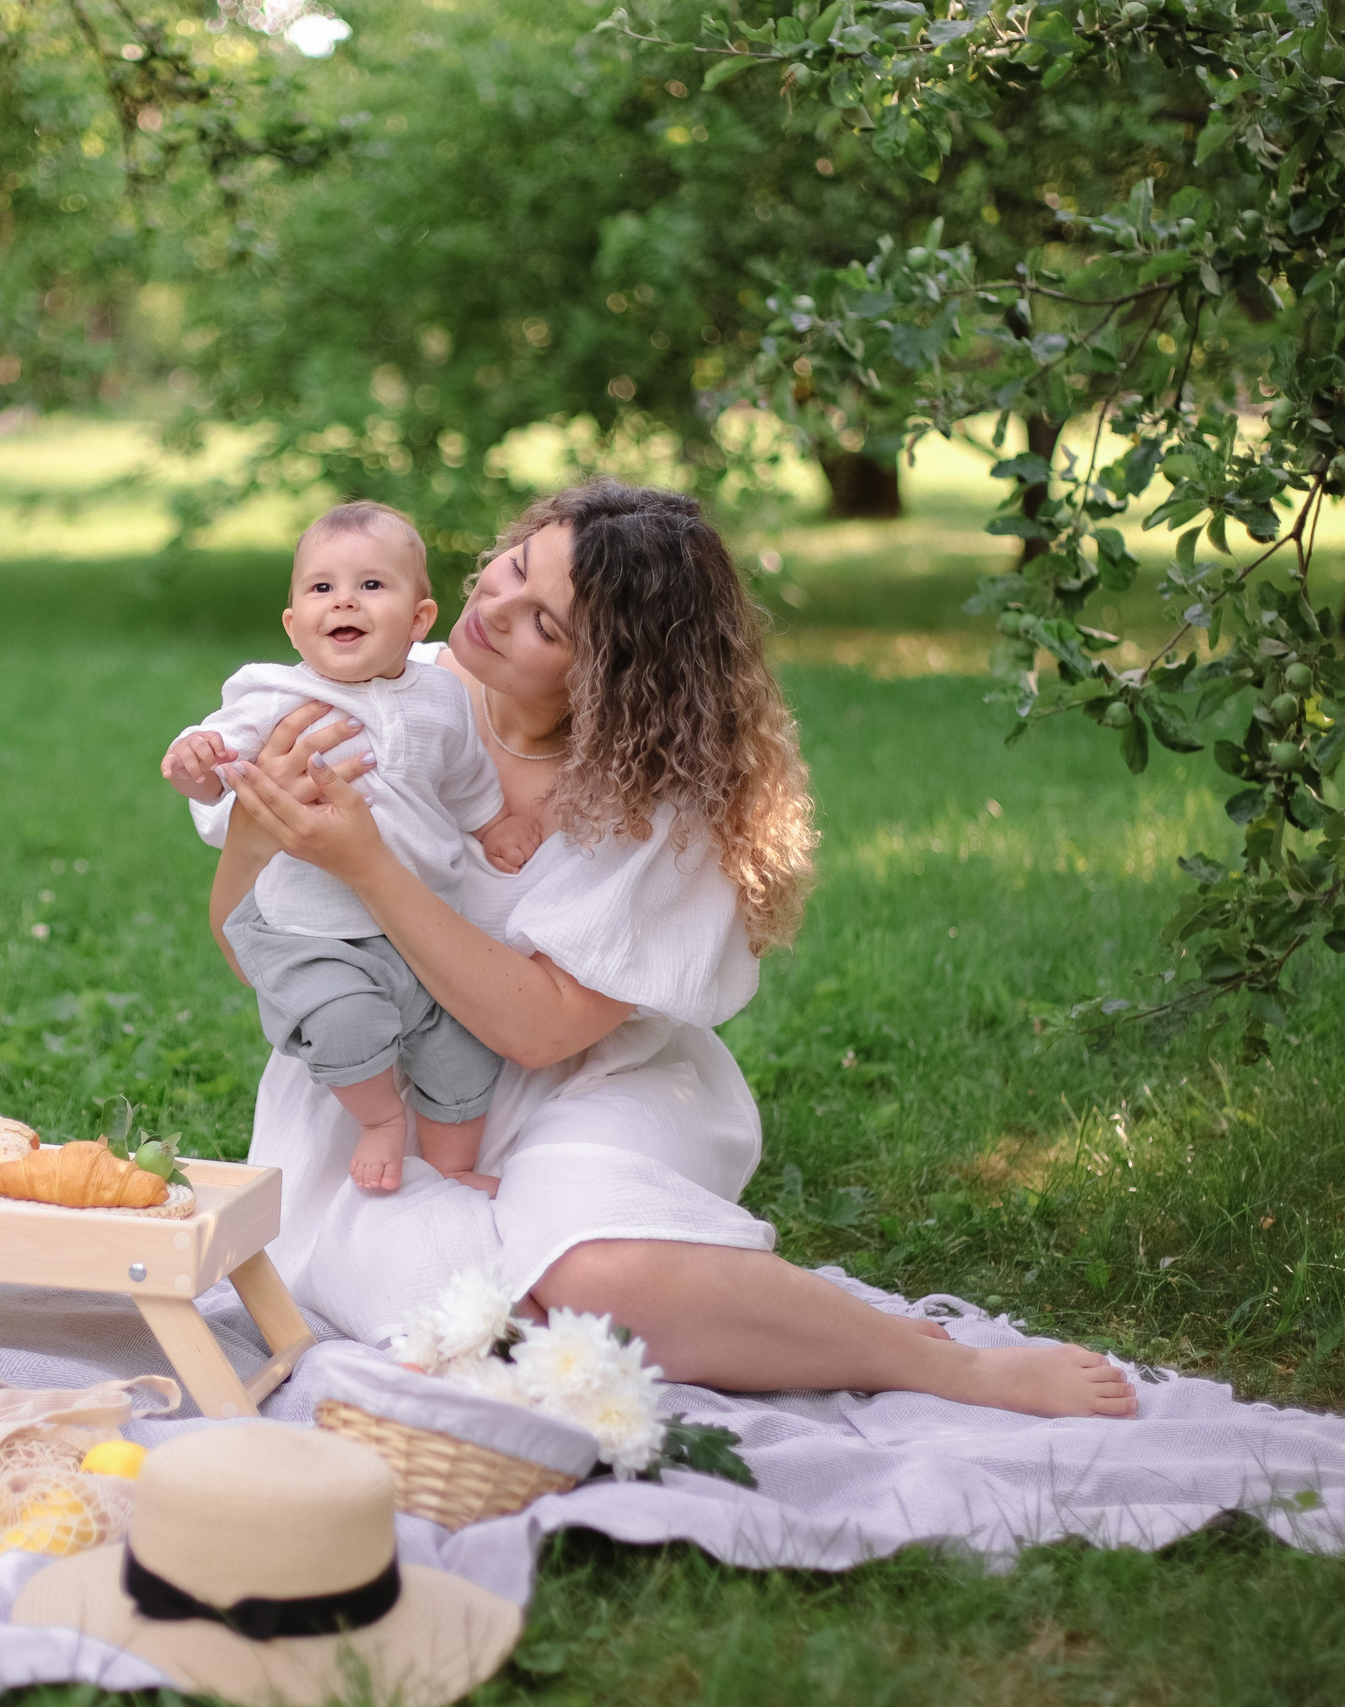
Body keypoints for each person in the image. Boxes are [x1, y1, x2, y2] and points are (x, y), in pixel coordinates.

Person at [209, 481, 1137, 1419]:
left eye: (546, 625)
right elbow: (258, 953)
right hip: (381, 1090)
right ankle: (664, 1305)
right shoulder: (377, 697)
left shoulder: (659, 796)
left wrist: (370, 866)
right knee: (467, 1312)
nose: (490, 608)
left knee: (598, 1273)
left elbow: (544, 1031)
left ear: (609, 675)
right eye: (515, 566)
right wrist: (256, 828)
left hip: (586, 1083)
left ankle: (939, 1366)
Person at [163, 502, 542, 1193]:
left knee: (463, 1050)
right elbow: (226, 758)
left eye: (371, 586)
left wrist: (493, 825)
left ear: (420, 619)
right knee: (345, 1022)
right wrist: (197, 762)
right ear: (293, 624)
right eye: (320, 588)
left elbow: (464, 778)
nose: (344, 599)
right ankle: (379, 1121)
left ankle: (455, 1166)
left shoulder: (441, 698)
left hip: (421, 926)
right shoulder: (276, 693)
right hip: (315, 930)